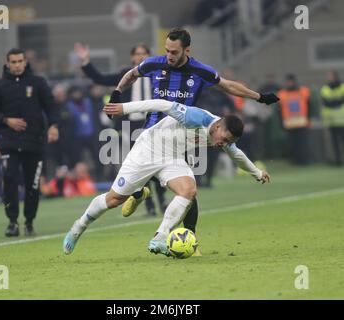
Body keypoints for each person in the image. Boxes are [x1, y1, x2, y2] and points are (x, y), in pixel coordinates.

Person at [109, 28, 278, 246]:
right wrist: (117, 93)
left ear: (186, 50)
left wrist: (260, 97)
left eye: (174, 51)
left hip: (181, 135)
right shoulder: (154, 63)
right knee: (135, 176)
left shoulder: (200, 71)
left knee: (189, 190)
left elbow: (227, 86)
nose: (169, 55)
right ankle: (139, 193)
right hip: (151, 131)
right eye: (167, 50)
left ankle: (189, 236)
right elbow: (131, 74)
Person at [63, 99, 271, 256]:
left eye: (228, 142)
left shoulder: (223, 136)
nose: (223, 144)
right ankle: (78, 227)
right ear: (217, 127)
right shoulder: (195, 117)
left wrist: (257, 173)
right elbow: (161, 104)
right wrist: (124, 108)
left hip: (172, 158)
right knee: (114, 200)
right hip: (147, 150)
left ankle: (160, 237)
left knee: (189, 190)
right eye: (224, 139)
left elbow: (236, 154)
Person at [74, 42, 167, 216]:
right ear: (132, 57)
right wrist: (86, 63)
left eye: (144, 53)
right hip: (132, 126)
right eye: (137, 54)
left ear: (150, 55)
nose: (141, 57)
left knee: (158, 164)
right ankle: (149, 204)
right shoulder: (127, 75)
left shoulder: (159, 74)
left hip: (156, 124)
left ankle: (162, 199)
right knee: (141, 166)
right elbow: (101, 79)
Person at [0, 48, 59, 237]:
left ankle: (29, 222)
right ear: (7, 64)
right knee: (9, 180)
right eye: (13, 62)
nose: (17, 65)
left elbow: (51, 106)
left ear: (25, 62)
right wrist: (6, 120)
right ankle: (12, 222)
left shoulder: (38, 83)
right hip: (9, 142)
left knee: (32, 185)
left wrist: (53, 126)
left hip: (34, 142)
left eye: (20, 61)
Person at [277, 74, 311, 165]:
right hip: (289, 124)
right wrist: (281, 123)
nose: (289, 84)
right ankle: (294, 161)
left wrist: (309, 119)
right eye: (288, 82)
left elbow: (309, 106)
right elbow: (279, 111)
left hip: (302, 123)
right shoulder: (282, 94)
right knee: (292, 145)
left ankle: (303, 161)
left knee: (302, 144)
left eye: (291, 81)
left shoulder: (303, 91)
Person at [320, 71, 344, 166]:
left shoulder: (342, 87)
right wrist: (337, 100)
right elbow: (326, 102)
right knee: (334, 144)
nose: (328, 77)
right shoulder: (325, 89)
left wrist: (333, 101)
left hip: (342, 121)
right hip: (331, 121)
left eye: (330, 76)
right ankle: (338, 161)